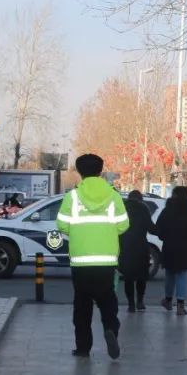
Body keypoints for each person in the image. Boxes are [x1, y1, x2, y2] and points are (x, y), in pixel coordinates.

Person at [56, 154, 129, 359]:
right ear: (100, 171)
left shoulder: (73, 197)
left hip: (80, 261)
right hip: (106, 260)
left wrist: (78, 232)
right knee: (108, 301)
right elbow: (123, 224)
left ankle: (83, 348)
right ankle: (110, 330)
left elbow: (61, 224)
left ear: (80, 172)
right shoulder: (114, 196)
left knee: (82, 305)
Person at [155, 186, 187, 315]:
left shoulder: (167, 211)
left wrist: (165, 237)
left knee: (170, 274)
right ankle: (180, 305)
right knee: (182, 275)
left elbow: (159, 228)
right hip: (185, 247)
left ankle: (168, 300)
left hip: (169, 246)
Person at [119, 190, 156, 313]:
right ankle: (140, 301)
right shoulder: (143, 208)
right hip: (141, 246)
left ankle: (131, 304)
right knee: (141, 277)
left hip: (125, 246)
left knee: (128, 277)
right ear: (140, 199)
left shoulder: (122, 207)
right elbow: (151, 228)